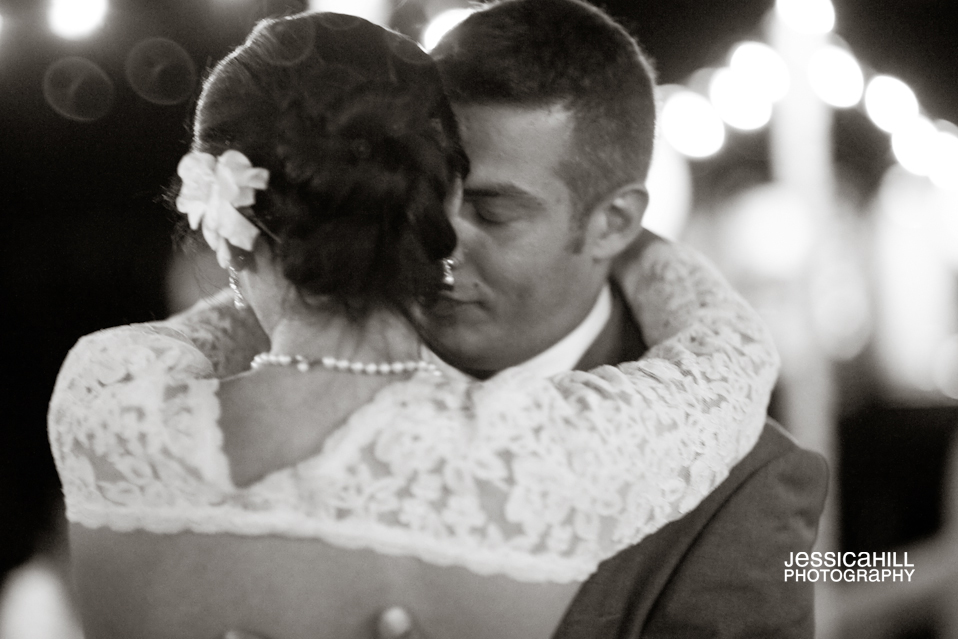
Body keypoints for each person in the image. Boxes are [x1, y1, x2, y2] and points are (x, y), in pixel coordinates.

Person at [45, 6, 792, 639]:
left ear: (615, 220)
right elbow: (728, 356)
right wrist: (651, 260)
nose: (452, 235)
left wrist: (293, 251)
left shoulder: (107, 396)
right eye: (443, 198)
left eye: (493, 207)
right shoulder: (551, 453)